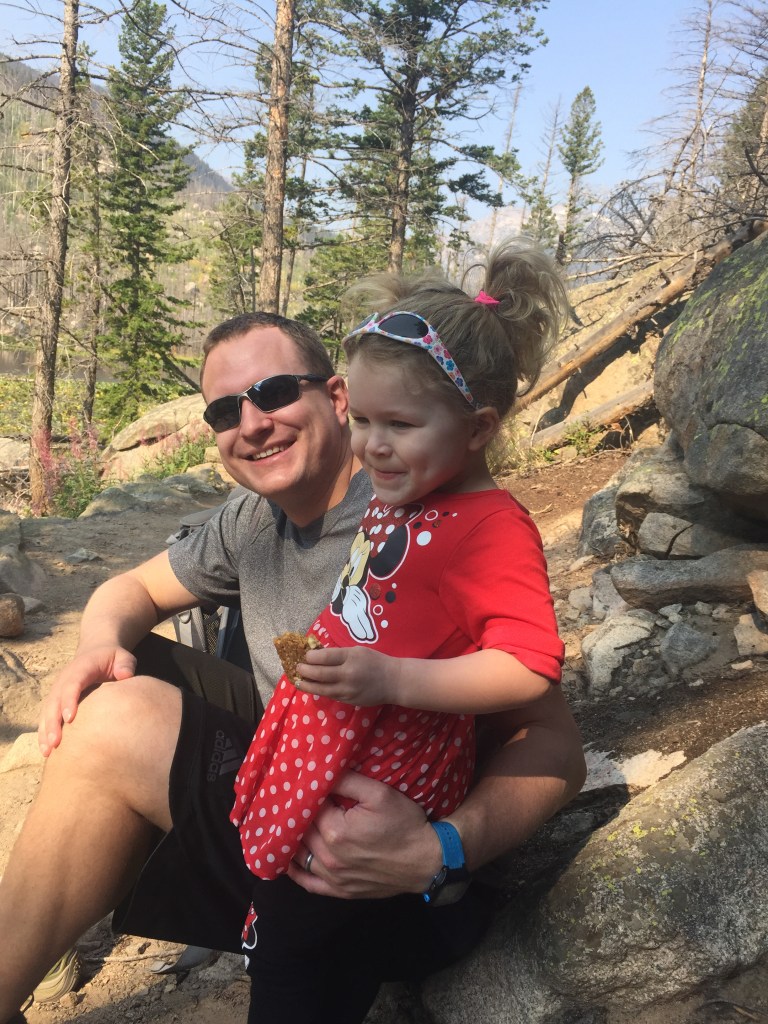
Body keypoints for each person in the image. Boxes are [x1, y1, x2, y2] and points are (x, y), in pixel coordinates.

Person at [0, 278, 585, 1024]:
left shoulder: (422, 502)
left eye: (275, 391)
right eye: (224, 410)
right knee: (117, 669)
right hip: (300, 762)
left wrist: (444, 848)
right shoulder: (254, 519)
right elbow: (128, 592)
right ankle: (44, 940)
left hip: (378, 845)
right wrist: (94, 644)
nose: (252, 423)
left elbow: (556, 744)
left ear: (334, 396)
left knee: (113, 722)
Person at [230, 242, 569, 1022]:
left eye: (401, 424)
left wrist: (392, 679)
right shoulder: (410, 490)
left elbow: (528, 665)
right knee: (303, 917)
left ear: (478, 427)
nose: (371, 446)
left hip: (391, 756)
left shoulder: (492, 527)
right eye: (366, 420)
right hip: (338, 737)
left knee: (296, 940)